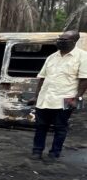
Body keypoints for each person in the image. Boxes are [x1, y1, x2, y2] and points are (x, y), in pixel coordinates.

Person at [26, 30, 87, 162]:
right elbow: (42, 78)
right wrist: (35, 96)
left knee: (60, 127)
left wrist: (77, 99)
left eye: (64, 40)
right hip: (46, 98)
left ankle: (54, 153)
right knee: (40, 126)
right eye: (60, 38)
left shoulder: (83, 57)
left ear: (74, 41)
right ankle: (37, 151)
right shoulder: (52, 57)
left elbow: (84, 80)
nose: (60, 41)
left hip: (67, 98)